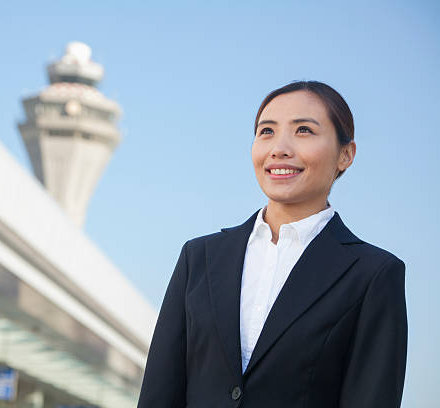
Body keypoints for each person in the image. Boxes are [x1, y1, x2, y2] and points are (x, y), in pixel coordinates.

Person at [137, 80, 407, 408]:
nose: (279, 148)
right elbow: (159, 393)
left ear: (345, 154)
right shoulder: (199, 258)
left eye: (304, 130)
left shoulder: (373, 274)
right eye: (267, 131)